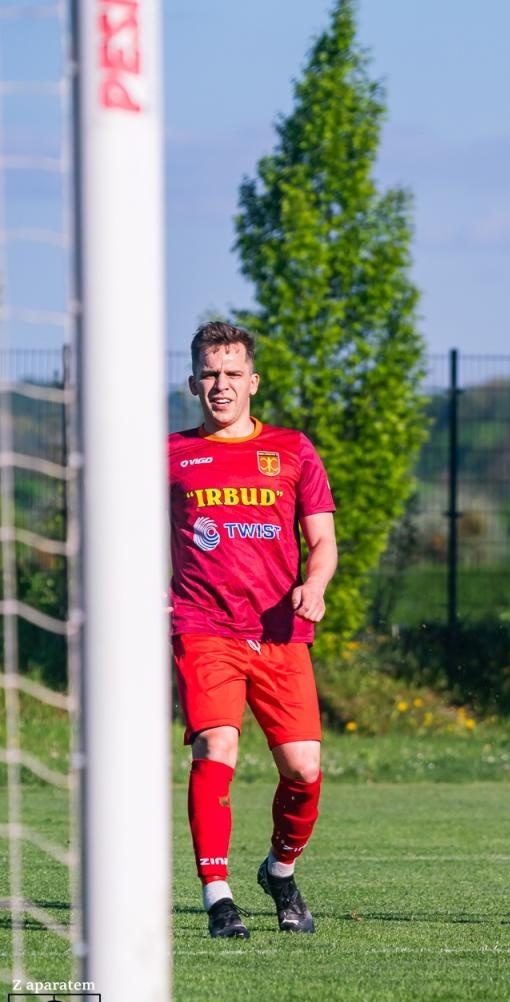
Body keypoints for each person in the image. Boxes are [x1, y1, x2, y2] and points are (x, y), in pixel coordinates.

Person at [169, 321, 338, 938]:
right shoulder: (168, 455)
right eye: (210, 374)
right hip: (203, 626)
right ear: (193, 382)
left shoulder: (293, 450)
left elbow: (322, 541)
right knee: (217, 748)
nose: (221, 385)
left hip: (280, 634)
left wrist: (313, 586)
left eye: (233, 374)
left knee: (303, 770)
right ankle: (219, 897)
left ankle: (280, 871)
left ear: (253, 382)